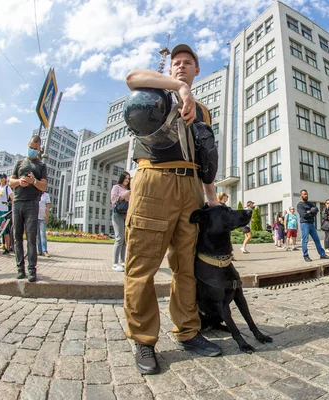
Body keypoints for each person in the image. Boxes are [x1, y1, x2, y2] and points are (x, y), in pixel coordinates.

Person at [124, 44, 222, 375]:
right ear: (170, 71)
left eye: (187, 64)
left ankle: (188, 331)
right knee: (143, 265)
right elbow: (131, 77)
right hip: (154, 179)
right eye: (176, 63)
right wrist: (177, 89)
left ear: (197, 70)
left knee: (186, 265)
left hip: (191, 186)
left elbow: (205, 158)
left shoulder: (203, 111)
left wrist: (211, 199)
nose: (181, 66)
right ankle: (144, 340)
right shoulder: (157, 92)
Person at [9, 136, 47, 282]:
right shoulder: (19, 163)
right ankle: (20, 269)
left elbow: (43, 186)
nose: (32, 150)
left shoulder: (41, 165)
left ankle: (32, 270)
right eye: (31, 147)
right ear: (28, 145)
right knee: (17, 236)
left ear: (39, 150)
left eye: (35, 149)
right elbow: (11, 182)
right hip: (18, 202)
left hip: (32, 203)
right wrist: (20, 181)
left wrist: (34, 181)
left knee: (31, 237)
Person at [297, 190, 329, 263]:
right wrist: (311, 212)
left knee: (317, 240)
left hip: (311, 224)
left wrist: (309, 212)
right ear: (301, 195)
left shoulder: (310, 203)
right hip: (304, 224)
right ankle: (306, 255)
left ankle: (322, 254)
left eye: (306, 194)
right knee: (305, 240)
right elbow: (304, 215)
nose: (306, 195)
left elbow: (316, 209)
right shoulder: (300, 205)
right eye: (304, 194)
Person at [111, 172, 131, 272]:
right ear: (122, 178)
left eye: (128, 179)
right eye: (125, 178)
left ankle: (122, 261)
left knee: (124, 240)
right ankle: (115, 263)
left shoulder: (129, 190)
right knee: (119, 238)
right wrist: (124, 195)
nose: (127, 180)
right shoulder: (116, 187)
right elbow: (113, 201)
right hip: (117, 214)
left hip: (126, 215)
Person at [0, 174, 14, 255]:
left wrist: (12, 205)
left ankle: (7, 248)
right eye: (0, 178)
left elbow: (12, 198)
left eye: (2, 178)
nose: (1, 179)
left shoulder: (7, 188)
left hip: (3, 211)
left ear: (5, 179)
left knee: (4, 230)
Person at [37, 191, 51, 257]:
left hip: (42, 217)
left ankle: (45, 250)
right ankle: (39, 250)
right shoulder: (36, 194)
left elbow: (48, 207)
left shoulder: (46, 195)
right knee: (37, 235)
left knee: (43, 235)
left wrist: (46, 216)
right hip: (35, 217)